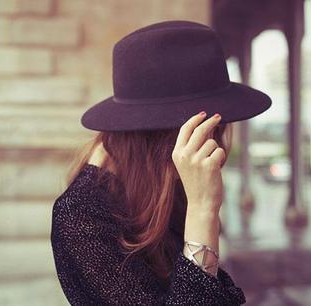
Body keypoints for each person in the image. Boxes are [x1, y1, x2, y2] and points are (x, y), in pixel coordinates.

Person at [50, 20, 271, 306]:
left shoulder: (165, 183)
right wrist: (203, 209)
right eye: (209, 129)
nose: (217, 143)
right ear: (169, 134)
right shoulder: (82, 214)